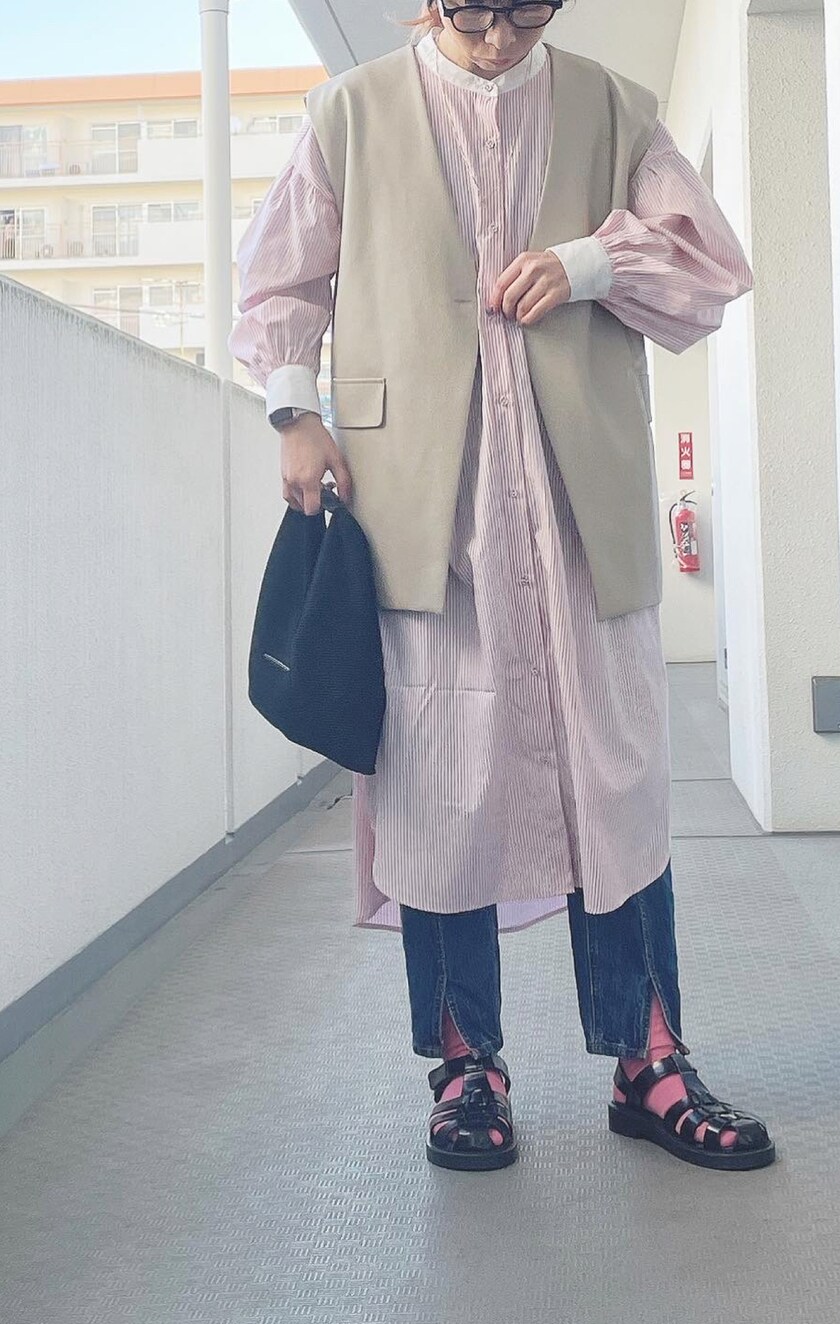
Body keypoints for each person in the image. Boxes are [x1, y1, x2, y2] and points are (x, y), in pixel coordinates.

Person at [230, 0, 776, 1173]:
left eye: (524, 12)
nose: (495, 37)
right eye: (472, 9)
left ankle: (650, 1060)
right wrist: (293, 410)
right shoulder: (350, 112)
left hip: (581, 509)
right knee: (438, 788)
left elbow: (709, 262)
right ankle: (464, 1066)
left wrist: (588, 263)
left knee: (616, 782)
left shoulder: (613, 109)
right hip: (425, 510)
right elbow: (280, 280)